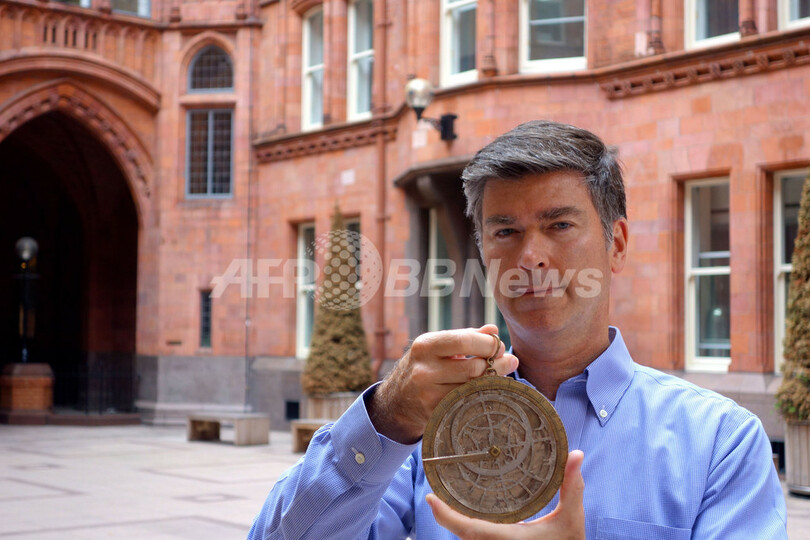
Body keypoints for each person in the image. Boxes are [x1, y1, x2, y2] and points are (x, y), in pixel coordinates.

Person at [247, 120, 787, 539]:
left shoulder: (719, 442)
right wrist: (386, 415)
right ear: (483, 252)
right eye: (505, 231)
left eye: (560, 225)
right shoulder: (427, 425)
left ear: (617, 244)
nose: (530, 256)